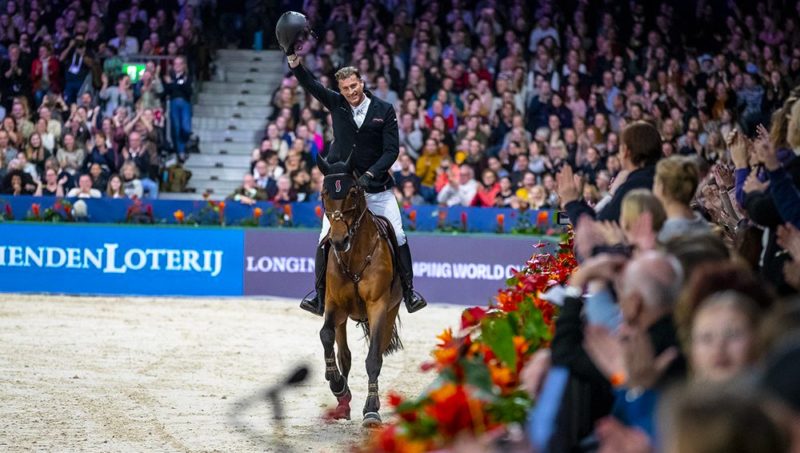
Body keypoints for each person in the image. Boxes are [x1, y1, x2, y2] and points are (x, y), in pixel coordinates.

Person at [281, 11, 426, 315]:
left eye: (355, 86)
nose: (351, 92)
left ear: (362, 81)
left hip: (376, 188)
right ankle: (319, 296)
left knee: (398, 234)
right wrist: (294, 61)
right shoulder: (336, 103)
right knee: (323, 239)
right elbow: (310, 84)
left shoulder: (384, 110)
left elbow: (392, 150)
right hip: (342, 191)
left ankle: (410, 292)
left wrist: (372, 173)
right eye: (346, 89)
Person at [163, 55, 193, 160]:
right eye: (176, 64)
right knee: (177, 128)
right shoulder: (169, 76)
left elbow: (188, 91)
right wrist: (176, 84)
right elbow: (167, 91)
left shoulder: (188, 76)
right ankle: (181, 151)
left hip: (185, 103)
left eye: (180, 64)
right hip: (174, 103)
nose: (177, 66)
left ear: (184, 65)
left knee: (186, 128)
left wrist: (173, 84)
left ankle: (187, 142)